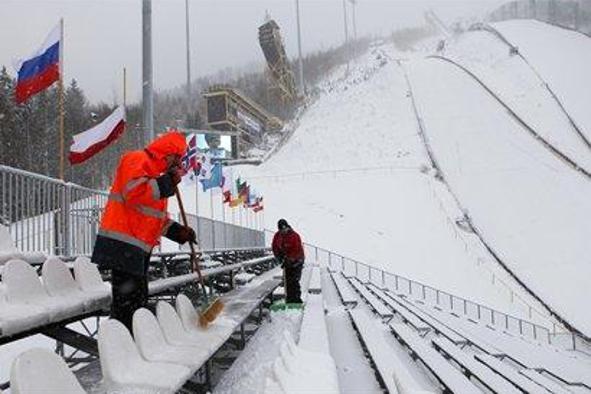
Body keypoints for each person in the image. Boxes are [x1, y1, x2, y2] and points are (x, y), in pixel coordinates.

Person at [91, 131, 197, 331]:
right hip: (123, 243)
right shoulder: (137, 159)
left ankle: (134, 343)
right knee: (127, 305)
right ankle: (122, 347)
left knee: (137, 301)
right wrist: (167, 183)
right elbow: (134, 193)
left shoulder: (156, 176)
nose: (178, 165)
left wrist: (178, 232)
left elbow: (153, 218)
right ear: (168, 153)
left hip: (136, 247)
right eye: (178, 158)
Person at [272, 219, 305, 304]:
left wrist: (290, 260)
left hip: (297, 261)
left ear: (287, 227)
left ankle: (297, 300)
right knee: (287, 281)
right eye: (281, 229)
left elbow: (296, 250)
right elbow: (275, 247)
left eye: (284, 228)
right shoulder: (277, 236)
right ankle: (289, 300)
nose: (283, 231)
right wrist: (279, 257)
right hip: (286, 260)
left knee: (294, 280)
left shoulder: (294, 236)